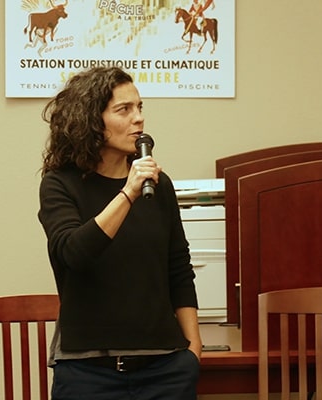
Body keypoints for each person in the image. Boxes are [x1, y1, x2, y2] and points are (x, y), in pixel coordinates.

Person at [38, 66, 202, 400]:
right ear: (90, 120)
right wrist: (128, 192)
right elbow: (74, 254)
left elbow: (178, 268)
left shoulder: (159, 185)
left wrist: (193, 350)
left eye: (140, 108)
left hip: (165, 369)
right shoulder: (59, 184)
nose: (138, 119)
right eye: (123, 110)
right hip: (87, 372)